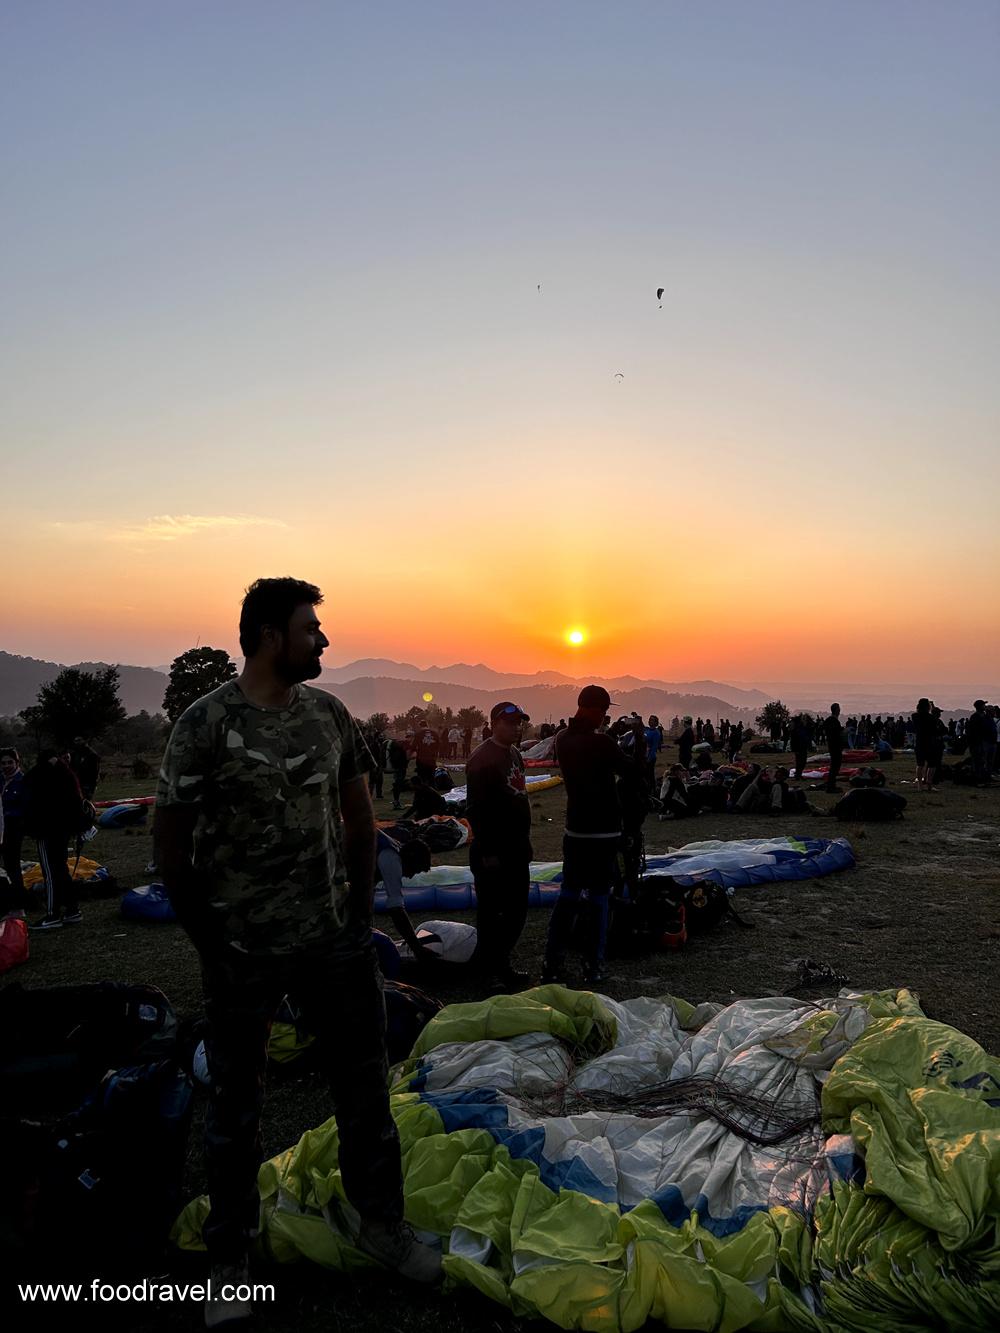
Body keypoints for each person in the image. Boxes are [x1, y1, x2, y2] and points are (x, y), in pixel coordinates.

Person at [154, 577, 440, 1328]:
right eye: (310, 627)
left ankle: (382, 1227)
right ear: (269, 635)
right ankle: (228, 1259)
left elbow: (357, 812)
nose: (323, 639)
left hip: (331, 944)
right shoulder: (205, 723)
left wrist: (352, 911)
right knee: (236, 1106)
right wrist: (209, 939)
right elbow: (171, 846)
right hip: (241, 950)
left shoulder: (330, 714)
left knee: (365, 1089)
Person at [542, 686, 631, 987]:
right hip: (604, 832)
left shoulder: (562, 739)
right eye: (604, 710)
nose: (606, 716)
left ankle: (552, 963)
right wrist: (638, 743)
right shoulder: (602, 743)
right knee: (599, 900)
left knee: (567, 897)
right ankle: (594, 964)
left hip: (575, 830)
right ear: (592, 709)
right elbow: (632, 771)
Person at [466, 702, 533, 993]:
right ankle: (487, 972)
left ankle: (501, 964)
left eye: (519, 722)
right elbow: (477, 810)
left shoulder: (515, 754)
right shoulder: (482, 758)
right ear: (494, 723)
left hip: (517, 847)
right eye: (510, 722)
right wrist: (487, 852)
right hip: (493, 851)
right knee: (491, 915)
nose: (516, 727)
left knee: (516, 911)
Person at [25, 750, 86, 929]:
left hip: (46, 831)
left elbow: (31, 799)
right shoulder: (67, 775)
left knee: (50, 873)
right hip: (63, 830)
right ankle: (72, 909)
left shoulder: (40, 776)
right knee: (60, 869)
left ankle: (52, 914)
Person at [375, 832, 437, 959]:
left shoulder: (391, 849)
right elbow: (396, 909)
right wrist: (417, 949)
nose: (410, 876)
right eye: (414, 870)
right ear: (410, 859)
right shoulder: (391, 858)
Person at [1, 748, 29, 913]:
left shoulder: (23, 782)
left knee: (12, 866)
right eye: (3, 763)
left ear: (17, 763)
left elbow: (25, 808)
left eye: (10, 762)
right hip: (0, 828)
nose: (6, 766)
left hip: (13, 829)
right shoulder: (0, 780)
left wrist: (6, 813)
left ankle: (19, 903)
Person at [965, 700, 995, 786]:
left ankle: (984, 777)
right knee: (978, 761)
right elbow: (974, 732)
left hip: (983, 742)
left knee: (983, 761)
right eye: (984, 705)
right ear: (980, 706)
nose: (985, 706)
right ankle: (978, 778)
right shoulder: (975, 717)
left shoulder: (984, 716)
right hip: (977, 743)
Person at [823, 703, 844, 793]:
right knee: (835, 766)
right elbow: (836, 734)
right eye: (839, 709)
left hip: (832, 745)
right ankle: (831, 786)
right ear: (836, 710)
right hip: (835, 746)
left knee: (834, 766)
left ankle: (831, 785)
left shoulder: (828, 720)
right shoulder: (834, 721)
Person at [386, 735, 409, 810]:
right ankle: (396, 802)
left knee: (398, 784)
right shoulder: (399, 749)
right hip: (400, 769)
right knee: (398, 784)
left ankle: (396, 802)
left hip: (398, 768)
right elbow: (398, 759)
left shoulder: (396, 749)